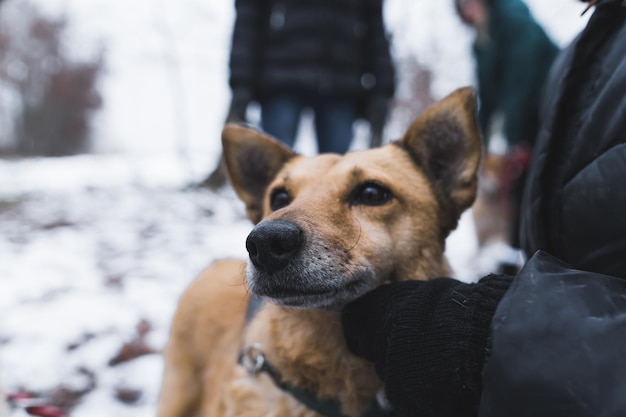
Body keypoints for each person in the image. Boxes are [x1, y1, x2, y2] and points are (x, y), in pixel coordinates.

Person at [341, 1, 626, 416]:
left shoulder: (513, 20)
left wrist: (484, 337)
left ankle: (506, 249)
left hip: (527, 124)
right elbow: (489, 92)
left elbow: (521, 76)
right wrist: (483, 128)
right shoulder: (592, 37)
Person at [455, 0, 559, 254]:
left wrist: (513, 138)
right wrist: (480, 142)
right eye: (462, 5)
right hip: (522, 118)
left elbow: (520, 80)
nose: (469, 8)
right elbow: (488, 99)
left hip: (547, 107)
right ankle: (515, 248)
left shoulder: (512, 17)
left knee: (536, 179)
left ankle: (533, 248)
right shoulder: (481, 41)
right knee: (516, 186)